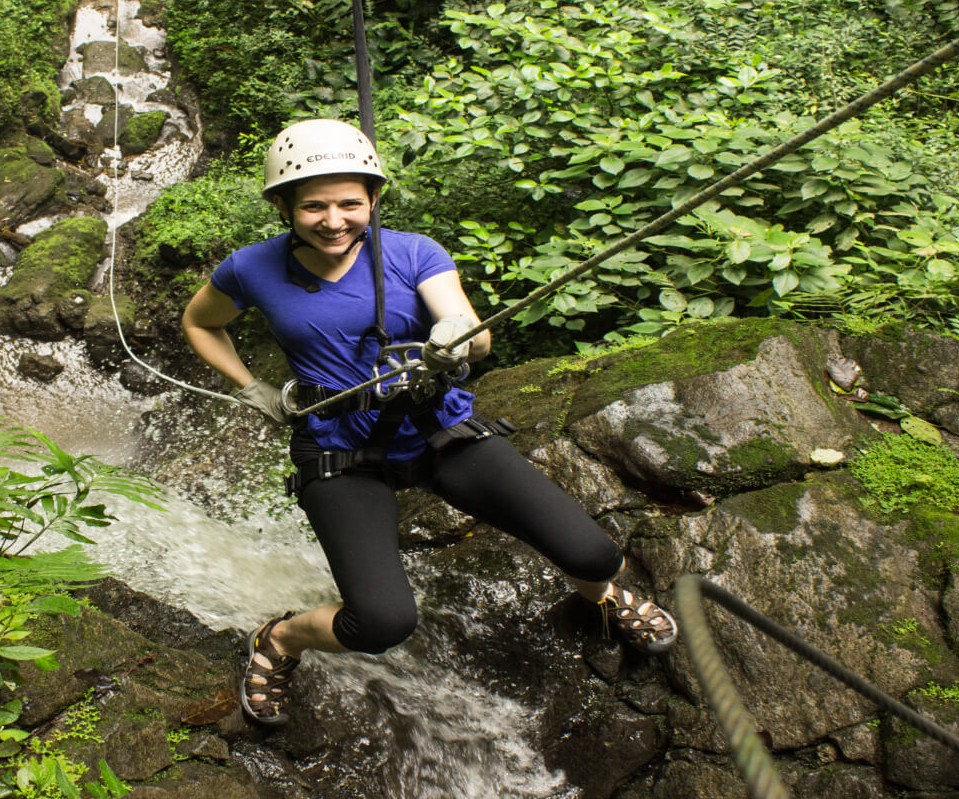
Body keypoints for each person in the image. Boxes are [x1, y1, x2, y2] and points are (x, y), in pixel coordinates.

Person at [180, 118, 679, 726]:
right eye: (314, 205)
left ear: (373, 200)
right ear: (283, 206)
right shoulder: (250, 269)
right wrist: (250, 386)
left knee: (594, 553)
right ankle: (281, 639)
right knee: (382, 623)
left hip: (440, 432)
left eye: (350, 203)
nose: (334, 220)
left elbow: (473, 330)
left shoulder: (413, 253)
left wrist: (452, 339)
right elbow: (201, 323)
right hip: (339, 450)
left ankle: (600, 596)